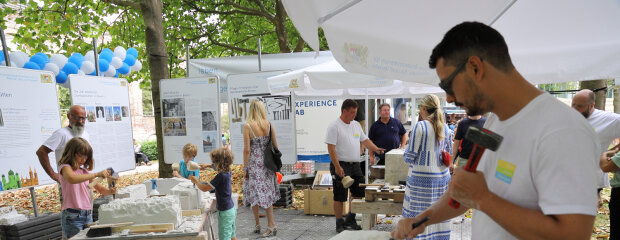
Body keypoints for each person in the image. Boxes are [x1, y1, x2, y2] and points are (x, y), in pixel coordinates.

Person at [392, 21, 599, 239]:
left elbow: (573, 234)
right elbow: (467, 193)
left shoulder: (563, 131)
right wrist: (422, 219)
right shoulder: (494, 123)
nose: (449, 98)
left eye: (447, 85)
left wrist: (484, 199)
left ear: (475, 67)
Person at [325, 99, 385, 233]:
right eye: (352, 112)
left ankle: (350, 218)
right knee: (339, 195)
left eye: (355, 112)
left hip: (355, 165)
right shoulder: (334, 126)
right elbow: (331, 149)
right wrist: (337, 167)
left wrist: (376, 149)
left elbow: (365, 140)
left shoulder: (356, 125)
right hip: (340, 164)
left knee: (358, 192)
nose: (354, 115)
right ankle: (339, 222)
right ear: (344, 111)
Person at [401, 94, 453, 239]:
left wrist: (406, 153)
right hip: (442, 179)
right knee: (437, 215)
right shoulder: (446, 128)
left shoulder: (420, 126)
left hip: (422, 181)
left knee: (418, 215)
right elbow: (449, 154)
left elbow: (409, 156)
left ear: (423, 108)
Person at [58, 137, 116, 238]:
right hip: (72, 215)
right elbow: (72, 178)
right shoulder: (65, 167)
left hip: (87, 215)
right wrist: (96, 174)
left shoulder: (85, 172)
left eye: (86, 157)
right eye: (80, 155)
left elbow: (101, 189)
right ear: (71, 153)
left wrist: (110, 191)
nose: (84, 159)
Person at [572, 89, 620, 205]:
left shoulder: (609, 120)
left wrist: (613, 153)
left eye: (579, 106)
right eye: (573, 105)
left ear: (592, 105)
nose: (574, 109)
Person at [241, 100, 279, 237]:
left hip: (255, 165)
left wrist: (245, 168)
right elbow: (275, 146)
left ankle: (265, 225)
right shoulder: (268, 124)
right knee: (267, 193)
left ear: (251, 110)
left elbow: (246, 150)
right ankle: (266, 224)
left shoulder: (247, 126)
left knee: (254, 194)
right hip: (268, 164)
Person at [189, 147, 237, 240]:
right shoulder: (228, 171)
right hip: (231, 209)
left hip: (225, 213)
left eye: (213, 162)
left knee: (225, 237)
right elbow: (217, 166)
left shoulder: (220, 177)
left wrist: (196, 181)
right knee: (232, 235)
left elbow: (204, 188)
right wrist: (207, 166)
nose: (212, 164)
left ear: (219, 163)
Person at [37, 105, 90, 183]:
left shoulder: (85, 134)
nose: (80, 121)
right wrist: (53, 174)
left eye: (82, 118)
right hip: (67, 183)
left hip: (84, 181)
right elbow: (41, 152)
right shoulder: (61, 134)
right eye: (76, 117)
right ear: (68, 116)